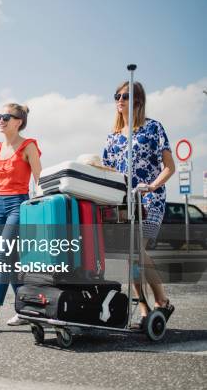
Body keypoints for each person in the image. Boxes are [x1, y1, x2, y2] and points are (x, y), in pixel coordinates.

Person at [102, 81, 175, 329]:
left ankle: (162, 300)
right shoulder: (113, 138)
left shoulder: (153, 128)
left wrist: (153, 185)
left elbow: (169, 167)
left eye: (126, 96)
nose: (120, 100)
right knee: (129, 257)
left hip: (149, 199)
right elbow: (106, 171)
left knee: (136, 250)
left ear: (138, 101)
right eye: (117, 96)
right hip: (124, 202)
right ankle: (144, 308)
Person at [0, 103, 42, 329]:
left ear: (18, 121)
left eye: (5, 117)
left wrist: (42, 208)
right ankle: (26, 309)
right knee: (10, 261)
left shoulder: (28, 146)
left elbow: (39, 181)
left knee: (3, 255)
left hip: (18, 204)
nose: (0, 120)